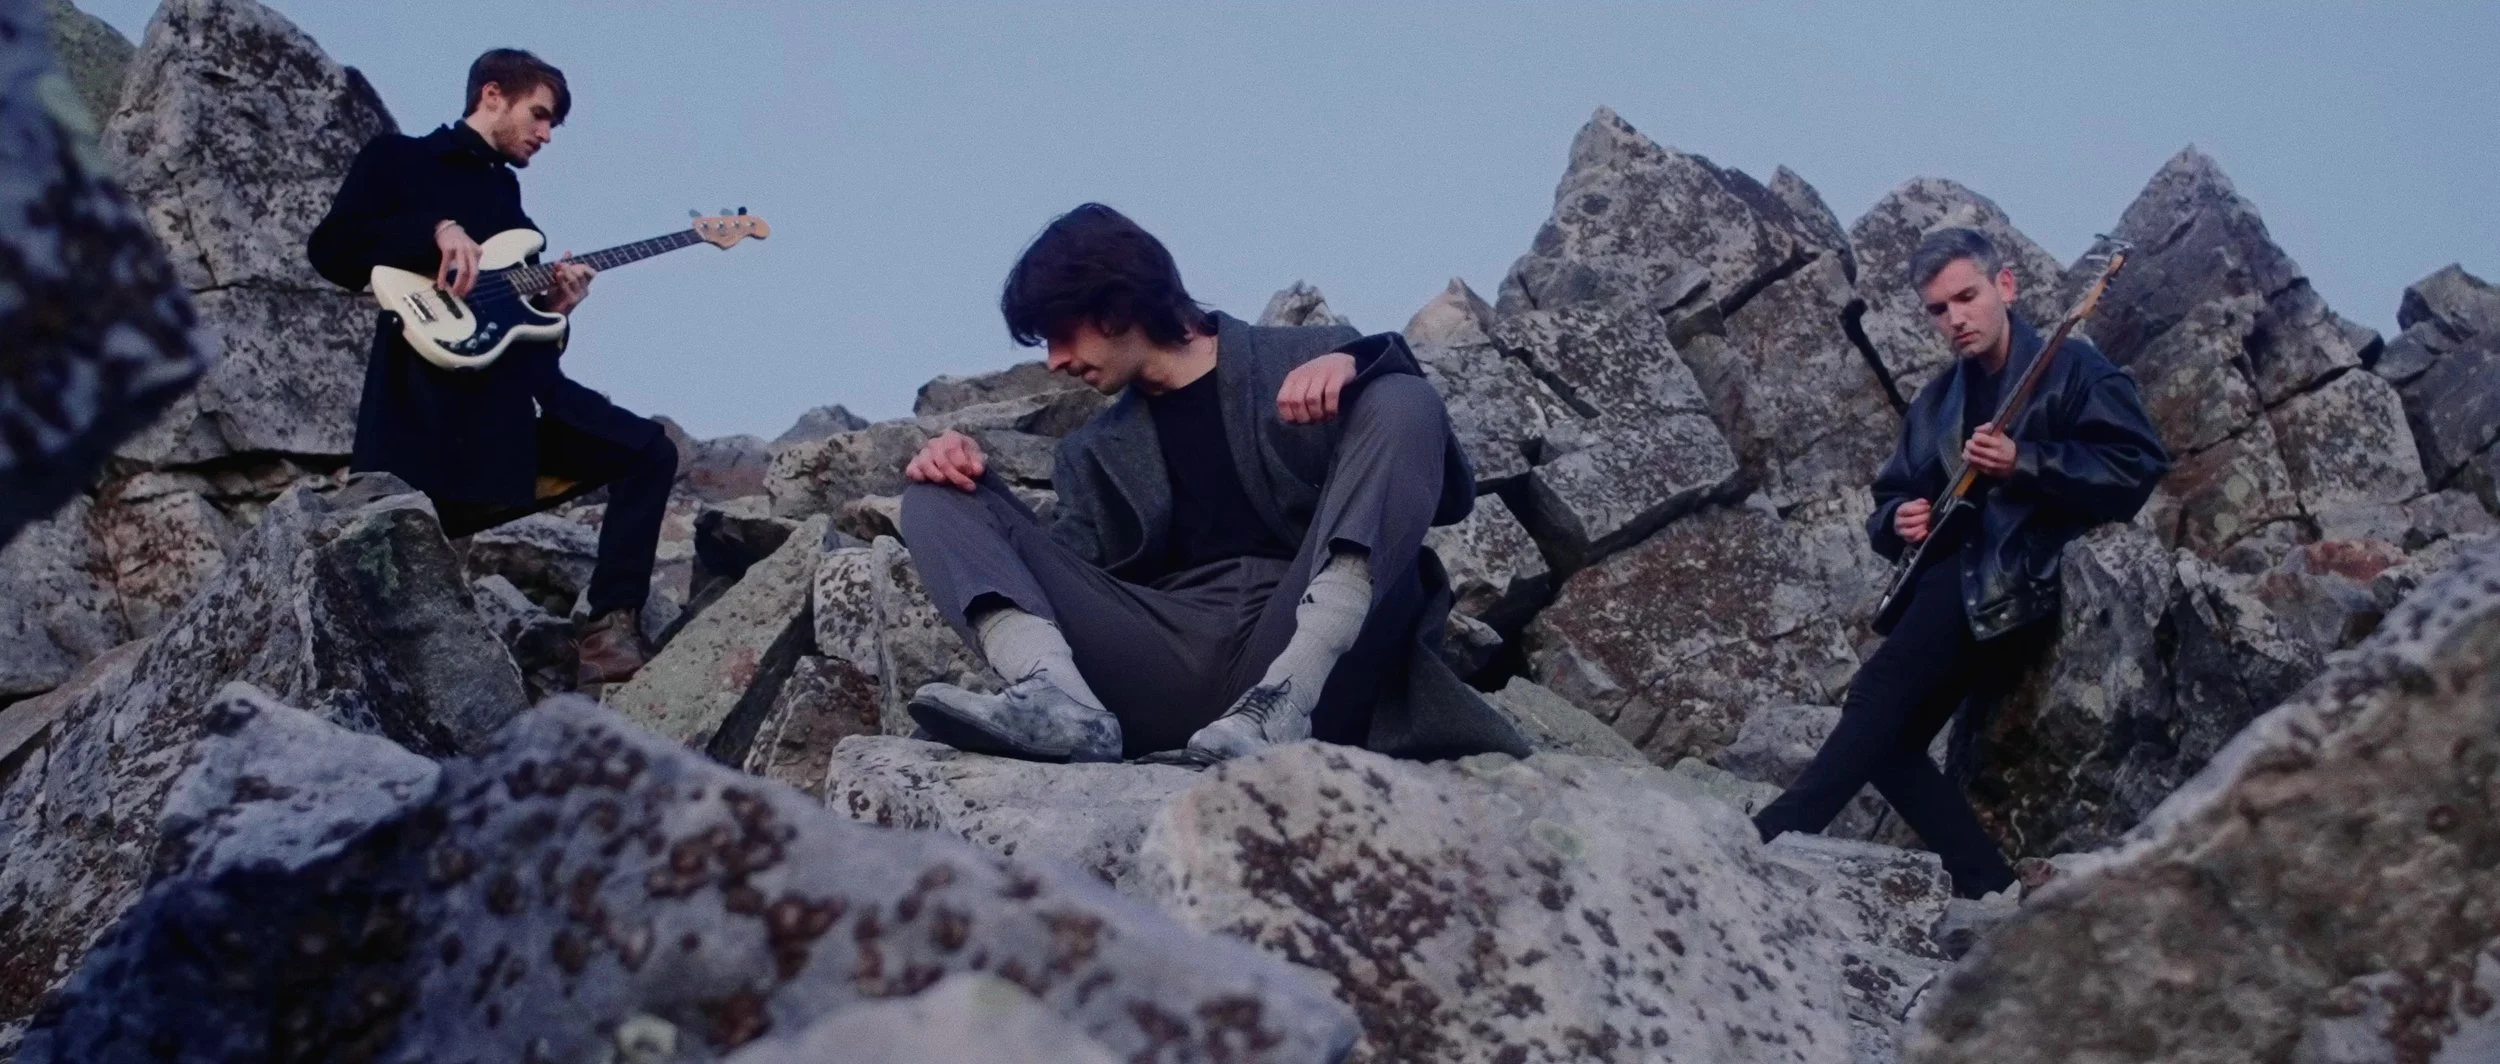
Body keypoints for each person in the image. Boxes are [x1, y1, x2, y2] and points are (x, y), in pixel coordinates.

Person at [897, 204, 1529, 765]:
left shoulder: (1313, 357)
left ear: (1115, 306)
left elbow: (1446, 493)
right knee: (935, 490)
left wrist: (1368, 367)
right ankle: (1058, 702)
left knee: (1402, 397)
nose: (1055, 361)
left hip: (1307, 642)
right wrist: (972, 477)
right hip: (1165, 660)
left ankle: (1283, 703)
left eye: (1061, 333)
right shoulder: (1089, 453)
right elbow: (1066, 578)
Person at [1752, 228, 2169, 898]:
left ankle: (1774, 832)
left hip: (2027, 572)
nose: (1956, 319)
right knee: (1887, 742)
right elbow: (1892, 496)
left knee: (1875, 697)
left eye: (1967, 298)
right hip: (1959, 585)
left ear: (2005, 286)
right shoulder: (1936, 402)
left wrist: (2025, 461)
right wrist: (1898, 520)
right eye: (1939, 310)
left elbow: (2137, 467)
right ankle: (1990, 886)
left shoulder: (2074, 367)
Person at [308, 48, 678, 687]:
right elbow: (331, 249)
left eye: (553, 124)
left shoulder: (506, 195)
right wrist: (435, 229)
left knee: (649, 451)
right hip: (426, 414)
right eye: (540, 115)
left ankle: (609, 632)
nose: (546, 134)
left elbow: (514, 322)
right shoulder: (399, 159)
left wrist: (555, 307)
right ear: (492, 95)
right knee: (396, 568)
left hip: (511, 407)